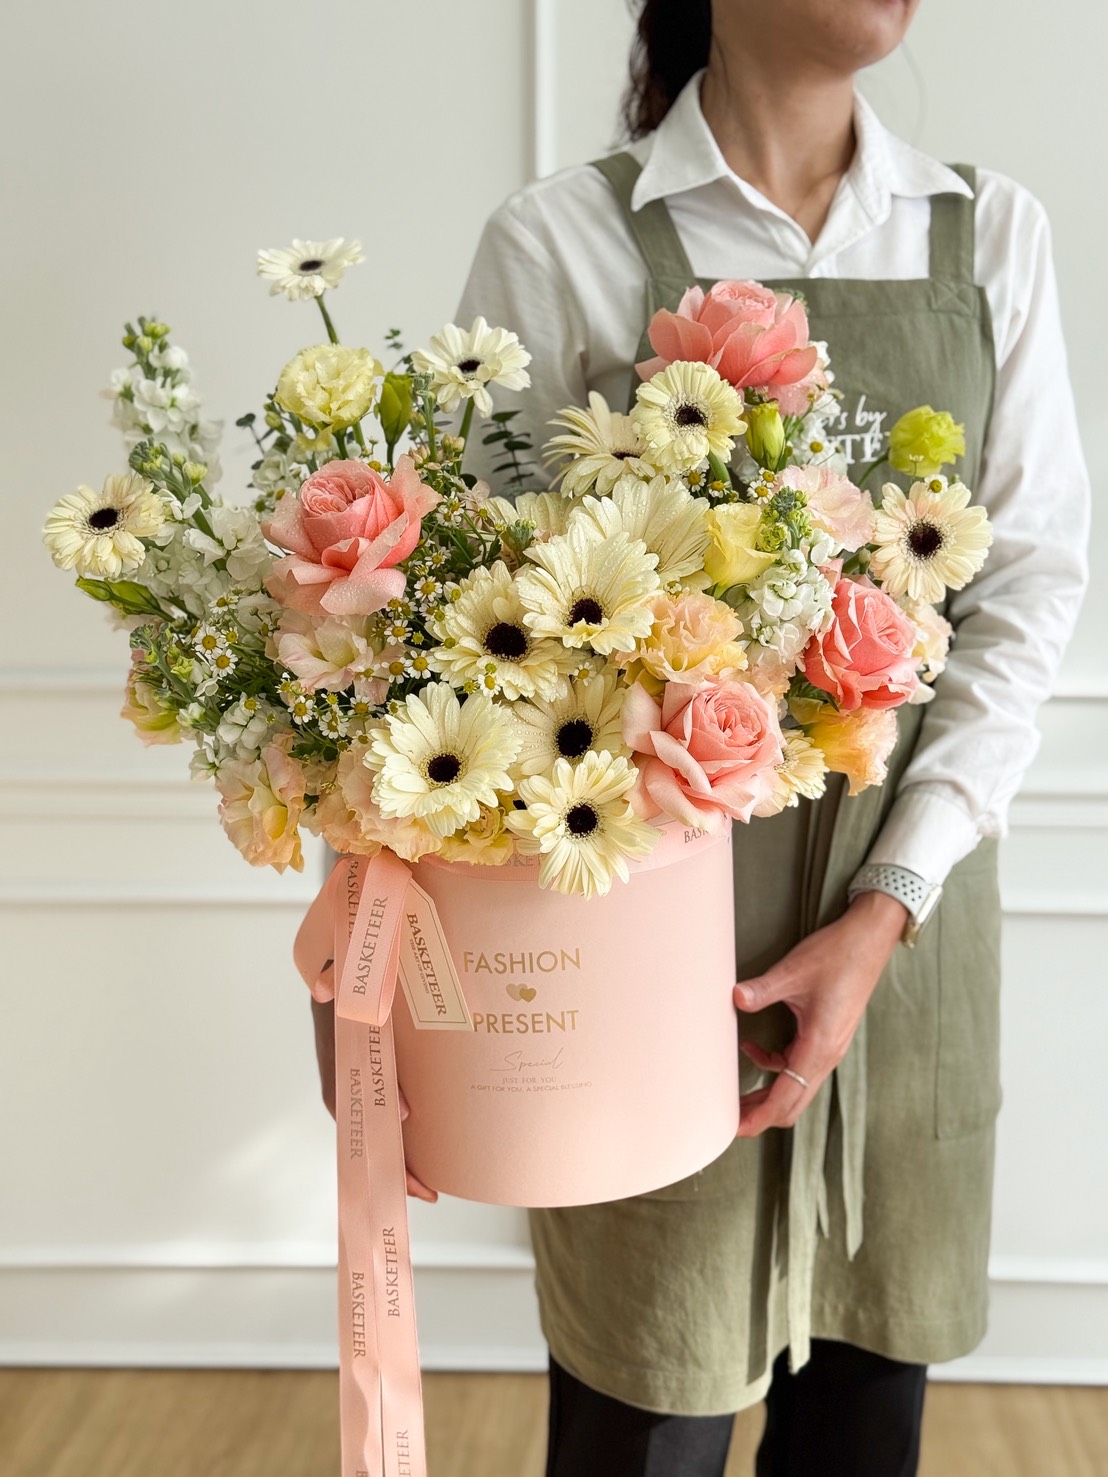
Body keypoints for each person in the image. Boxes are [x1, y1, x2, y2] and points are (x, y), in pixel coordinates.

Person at [314, 1, 1090, 1472]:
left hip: (909, 925)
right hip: (639, 939)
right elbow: (455, 640)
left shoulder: (988, 236)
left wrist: (891, 899)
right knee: (643, 1394)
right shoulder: (562, 244)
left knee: (866, 1405)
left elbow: (1034, 581)